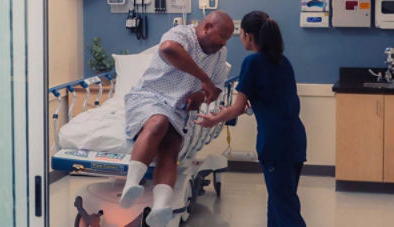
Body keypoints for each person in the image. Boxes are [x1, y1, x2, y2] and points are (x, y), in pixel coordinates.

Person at [120, 10, 234, 227]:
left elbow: (216, 89)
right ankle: (131, 185)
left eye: (228, 38)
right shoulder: (181, 34)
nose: (224, 42)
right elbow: (168, 50)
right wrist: (204, 79)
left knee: (171, 146)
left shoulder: (221, 54)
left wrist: (201, 95)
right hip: (149, 96)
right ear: (207, 27)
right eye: (223, 36)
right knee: (158, 123)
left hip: (180, 108)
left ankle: (160, 207)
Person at [195, 11, 307, 227]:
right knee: (279, 202)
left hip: (275, 143)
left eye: (239, 34)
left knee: (285, 209)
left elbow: (237, 108)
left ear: (247, 35)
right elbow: (276, 99)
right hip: (296, 140)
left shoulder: (253, 62)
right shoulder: (284, 62)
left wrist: (213, 119)